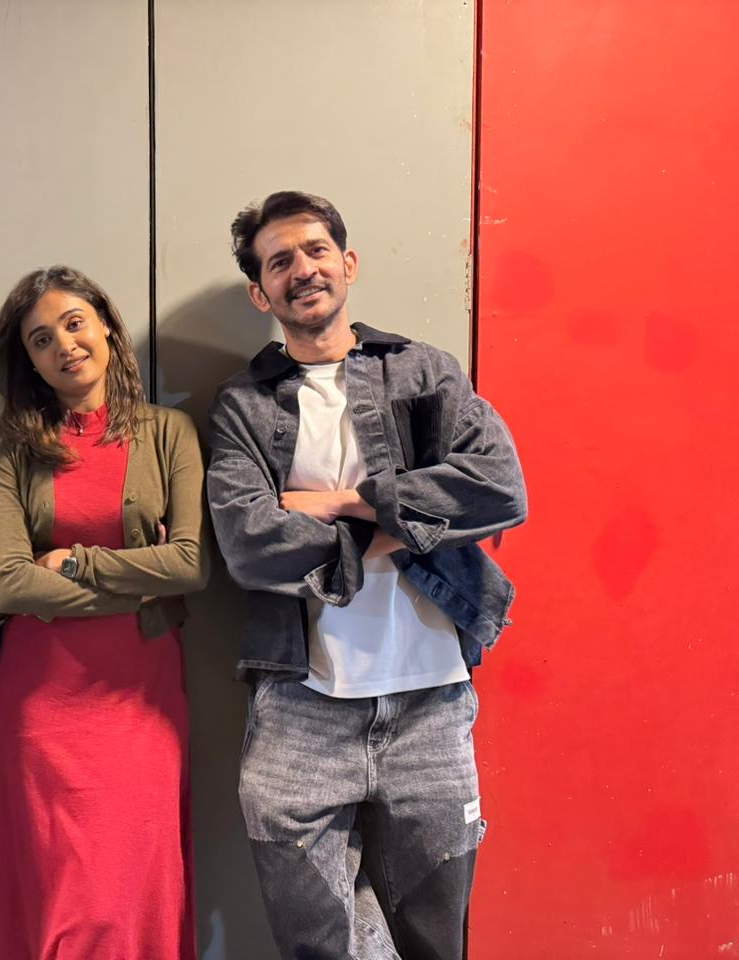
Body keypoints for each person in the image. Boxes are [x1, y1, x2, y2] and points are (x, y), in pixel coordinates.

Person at [207, 191, 527, 960]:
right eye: (279, 261)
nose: (302, 269)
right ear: (260, 292)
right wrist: (403, 524)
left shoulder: (424, 371)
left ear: (347, 263)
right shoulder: (244, 407)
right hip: (301, 709)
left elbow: (499, 488)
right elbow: (249, 544)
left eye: (316, 250)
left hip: (431, 704)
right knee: (316, 949)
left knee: (434, 944)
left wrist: (348, 502)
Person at [0, 266, 208, 960]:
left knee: (124, 901)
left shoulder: (170, 433)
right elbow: (8, 586)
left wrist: (75, 563)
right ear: (29, 362)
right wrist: (139, 579)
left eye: (73, 323)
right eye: (41, 339)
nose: (63, 345)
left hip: (142, 703)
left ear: (107, 328)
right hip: (43, 707)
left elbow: (190, 564)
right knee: (57, 904)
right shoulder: (11, 446)